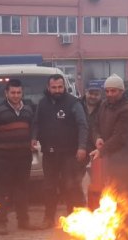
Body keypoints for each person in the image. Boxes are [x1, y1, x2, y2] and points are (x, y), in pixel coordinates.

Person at [0, 78, 39, 235]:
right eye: (12, 92)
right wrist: (1, 146)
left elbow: (33, 126)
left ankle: (23, 221)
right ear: (6, 93)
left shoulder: (28, 109)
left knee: (22, 189)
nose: (15, 95)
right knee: (3, 190)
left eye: (18, 92)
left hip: (23, 156)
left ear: (22, 93)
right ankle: (1, 223)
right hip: (3, 158)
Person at [33, 74, 89, 229]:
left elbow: (82, 125)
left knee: (70, 186)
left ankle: (73, 218)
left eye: (60, 87)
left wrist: (82, 147)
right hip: (49, 154)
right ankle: (48, 218)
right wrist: (33, 137)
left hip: (69, 154)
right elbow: (36, 123)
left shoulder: (73, 102)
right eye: (54, 87)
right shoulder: (42, 104)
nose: (57, 90)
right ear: (48, 87)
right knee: (49, 187)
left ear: (64, 87)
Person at [90, 74, 128, 197]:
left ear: (122, 91)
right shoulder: (103, 105)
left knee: (122, 193)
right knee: (108, 189)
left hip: (125, 158)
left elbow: (120, 137)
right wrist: (98, 138)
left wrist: (101, 150)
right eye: (107, 91)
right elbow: (95, 125)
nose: (109, 94)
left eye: (113, 91)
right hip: (109, 155)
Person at [80, 80, 104, 208]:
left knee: (97, 182)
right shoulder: (77, 105)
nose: (93, 96)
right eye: (91, 93)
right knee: (78, 180)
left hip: (97, 150)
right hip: (79, 148)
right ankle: (80, 207)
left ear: (100, 95)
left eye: (96, 94)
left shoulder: (104, 108)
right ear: (86, 92)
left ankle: (95, 208)